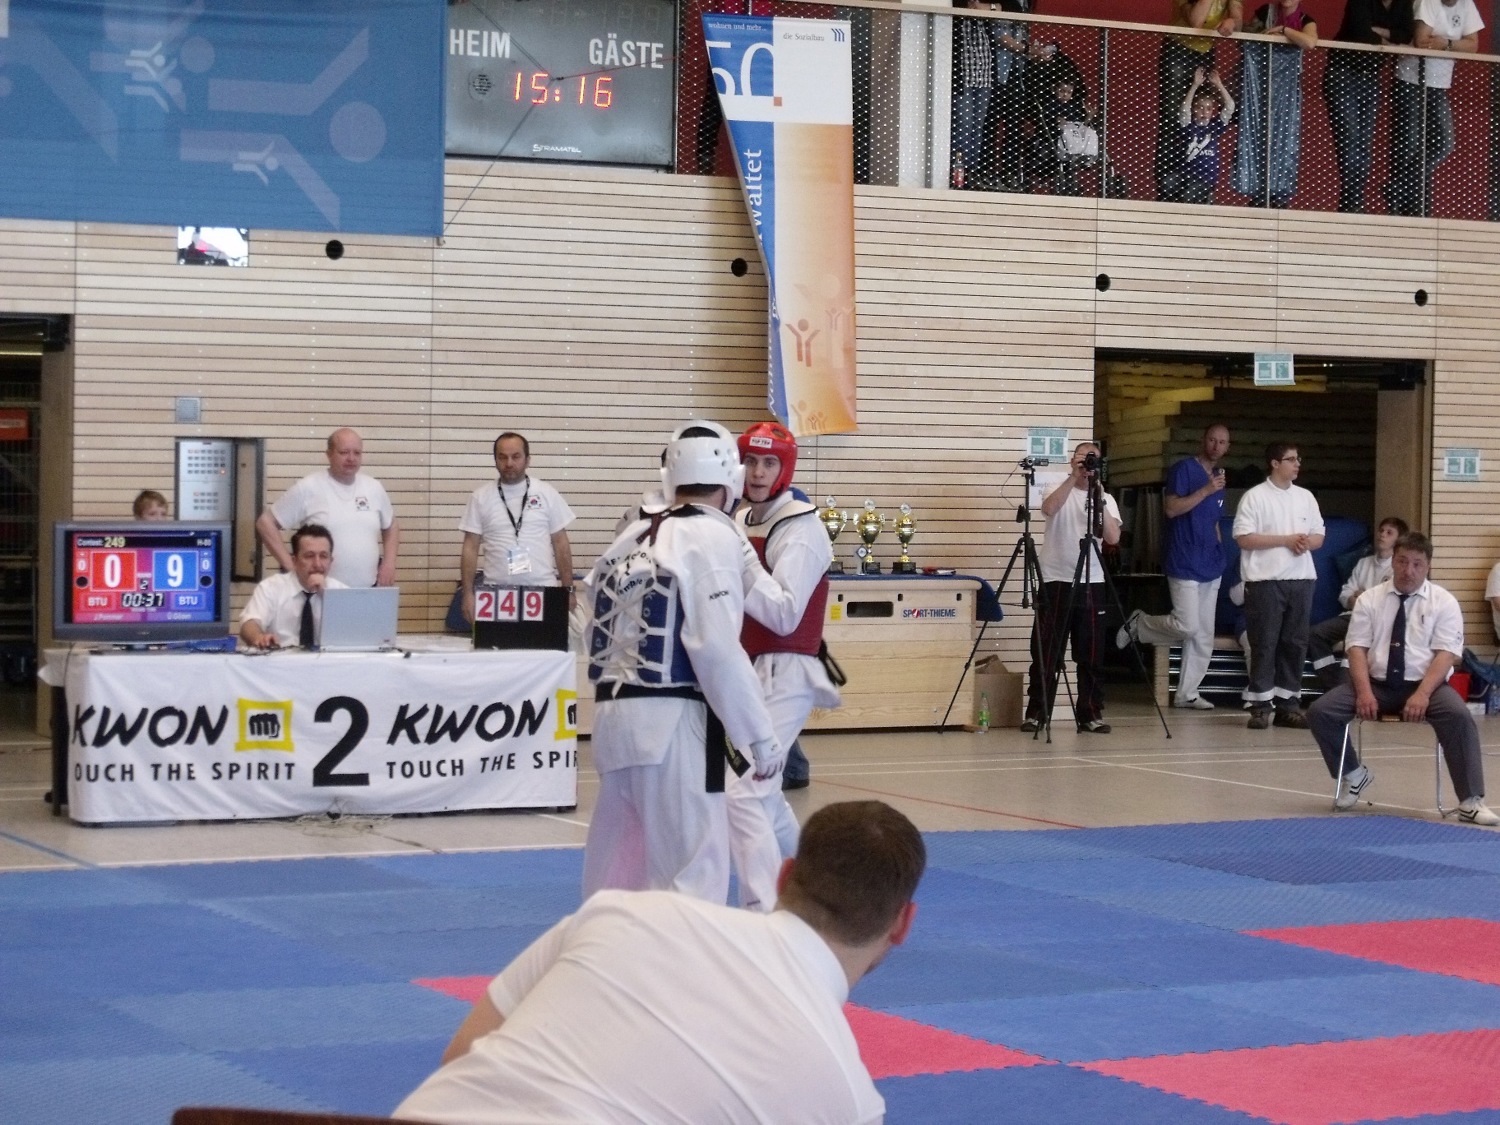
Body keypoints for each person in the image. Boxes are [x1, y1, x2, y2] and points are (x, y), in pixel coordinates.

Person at [394, 799, 924, 1125]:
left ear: (783, 876)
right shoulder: (845, 1099)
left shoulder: (621, 911)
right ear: (902, 924)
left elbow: (462, 1055)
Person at [582, 420, 782, 903]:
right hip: (673, 722)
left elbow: (589, 620)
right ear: (732, 479)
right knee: (692, 873)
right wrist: (760, 735)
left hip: (612, 720)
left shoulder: (631, 535)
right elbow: (716, 647)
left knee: (615, 878)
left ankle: (605, 951)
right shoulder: (710, 536)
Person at [1307, 532, 1499, 825]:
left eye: (1417, 564)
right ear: (1393, 562)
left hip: (1427, 686)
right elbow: (1356, 649)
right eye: (1402, 561)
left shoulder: (1444, 602)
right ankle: (1353, 774)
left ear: (1428, 566)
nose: (1409, 570)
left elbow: (1446, 655)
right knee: (1321, 712)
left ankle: (1471, 801)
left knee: (1459, 716)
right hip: (1377, 683)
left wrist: (1422, 694)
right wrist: (1364, 692)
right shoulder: (1370, 599)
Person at [728, 421, 841, 911]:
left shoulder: (801, 527)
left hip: (787, 670)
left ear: (785, 469)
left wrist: (740, 561)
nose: (757, 472)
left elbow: (784, 613)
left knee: (744, 792)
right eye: (750, 461)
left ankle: (762, 913)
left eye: (769, 463)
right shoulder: (739, 519)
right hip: (746, 669)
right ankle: (814, 894)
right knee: (765, 793)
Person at [1117, 424, 1231, 709]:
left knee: (1203, 634)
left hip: (1211, 561)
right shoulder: (1183, 470)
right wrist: (1206, 490)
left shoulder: (1220, 477)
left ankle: (1187, 693)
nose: (1216, 446)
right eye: (1212, 440)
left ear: (1227, 447)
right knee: (1187, 626)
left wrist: (1219, 547)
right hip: (1184, 558)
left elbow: (1214, 520)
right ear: (1203, 440)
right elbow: (1171, 509)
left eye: (1222, 442)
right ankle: (1141, 624)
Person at [1023, 441, 1122, 734]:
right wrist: (1073, 478)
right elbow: (1049, 508)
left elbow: (1113, 538)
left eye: (1094, 460)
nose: (1088, 464)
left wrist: (1098, 494)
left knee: (1091, 653)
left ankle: (1090, 713)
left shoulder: (1106, 498)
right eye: (1084, 458)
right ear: (1073, 460)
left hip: (1092, 581)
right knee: (1046, 651)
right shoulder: (1056, 488)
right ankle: (1037, 712)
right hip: (1055, 579)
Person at [1233, 442, 1325, 729]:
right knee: (1264, 643)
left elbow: (1318, 536)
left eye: (1298, 459)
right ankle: (1260, 705)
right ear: (1274, 463)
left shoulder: (1306, 497)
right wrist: (1286, 540)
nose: (1297, 464)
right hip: (1265, 581)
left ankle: (1288, 705)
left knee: (1295, 644)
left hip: (1301, 579)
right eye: (1291, 459)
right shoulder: (1255, 497)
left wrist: (1304, 542)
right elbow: (1244, 538)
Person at [256, 428, 397, 589]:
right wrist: (292, 568)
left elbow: (391, 525)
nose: (351, 458)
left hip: (367, 589)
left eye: (357, 453)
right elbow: (265, 523)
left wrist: (389, 562)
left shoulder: (373, 487)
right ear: (329, 454)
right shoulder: (308, 487)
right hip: (318, 591)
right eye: (344, 452)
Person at [459, 432, 576, 626]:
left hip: (543, 591)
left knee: (544, 646)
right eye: (502, 457)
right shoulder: (480, 497)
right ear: (495, 460)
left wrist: (568, 589)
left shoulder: (546, 493)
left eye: (516, 457)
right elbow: (470, 548)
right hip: (496, 594)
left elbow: (560, 543)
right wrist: (467, 594)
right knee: (497, 646)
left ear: (527, 460)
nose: (509, 463)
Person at [1385, 0, 1483, 217]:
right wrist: (1455, 44)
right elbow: (1422, 41)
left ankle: (1399, 187)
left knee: (1443, 143)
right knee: (1409, 145)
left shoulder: (1466, 4)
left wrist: (1445, 43)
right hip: (1411, 79)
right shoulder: (1427, 2)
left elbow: (1473, 45)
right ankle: (1405, 209)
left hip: (1439, 84)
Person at [1323, 0, 1414, 213]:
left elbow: (1406, 35)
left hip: (1371, 76)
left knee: (1364, 146)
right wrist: (1391, 44)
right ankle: (1353, 203)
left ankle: (1353, 201)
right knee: (1350, 141)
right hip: (1342, 73)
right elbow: (1361, 31)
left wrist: (1378, 33)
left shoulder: (1403, 4)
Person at [1233, 0, 1317, 209]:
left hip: (1286, 89)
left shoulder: (1305, 20)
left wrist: (1284, 30)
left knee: (1284, 137)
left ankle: (1279, 193)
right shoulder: (1265, 12)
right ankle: (1258, 190)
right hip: (1259, 83)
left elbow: (1310, 42)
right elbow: (1245, 39)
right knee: (1256, 134)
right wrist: (1265, 35)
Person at [1157, 0, 1243, 202]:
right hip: (1178, 48)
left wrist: (1232, 21)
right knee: (1173, 121)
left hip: (1205, 51)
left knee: (1203, 115)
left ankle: (1199, 186)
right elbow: (1196, 20)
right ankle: (1167, 190)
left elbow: (1238, 19)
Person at [1308, 516, 1408, 689]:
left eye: (1389, 532)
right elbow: (1345, 593)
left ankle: (1344, 686)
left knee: (1353, 640)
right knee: (1315, 634)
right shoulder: (1364, 563)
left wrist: (1362, 598)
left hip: (1378, 621)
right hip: (1353, 615)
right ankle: (1333, 686)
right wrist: (1357, 599)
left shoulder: (1398, 568)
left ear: (1398, 540)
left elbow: (1390, 601)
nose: (1382, 535)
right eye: (1381, 531)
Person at [239, 524, 347, 649]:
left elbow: (357, 631)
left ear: (331, 561)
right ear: (294, 561)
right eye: (309, 556)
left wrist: (329, 597)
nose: (317, 564)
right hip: (280, 658)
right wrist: (259, 637)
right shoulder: (271, 587)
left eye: (323, 556)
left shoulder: (342, 592)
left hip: (329, 660)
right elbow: (249, 623)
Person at [1178, 68, 1237, 204]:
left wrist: (1219, 84)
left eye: (1209, 108)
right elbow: (1184, 109)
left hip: (1207, 179)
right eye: (1200, 107)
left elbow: (1230, 106)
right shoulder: (1189, 127)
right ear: (1194, 109)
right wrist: (1195, 85)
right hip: (1188, 176)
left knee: (1195, 195)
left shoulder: (1215, 127)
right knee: (1174, 186)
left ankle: (1206, 198)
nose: (1204, 112)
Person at [953, 1, 995, 189]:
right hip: (963, 76)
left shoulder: (983, 11)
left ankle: (971, 172)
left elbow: (1014, 7)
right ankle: (957, 173)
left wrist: (987, 8)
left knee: (977, 127)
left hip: (984, 76)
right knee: (964, 125)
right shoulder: (959, 8)